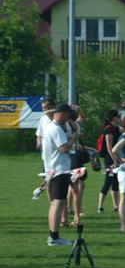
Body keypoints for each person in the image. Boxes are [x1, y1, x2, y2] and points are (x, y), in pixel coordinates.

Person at [42, 103, 82, 246]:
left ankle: (53, 236)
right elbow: (64, 149)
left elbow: (50, 113)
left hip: (53, 169)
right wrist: (74, 139)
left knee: (55, 203)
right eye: (68, 115)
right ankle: (54, 237)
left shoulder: (51, 126)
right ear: (63, 114)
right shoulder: (56, 129)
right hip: (59, 170)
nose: (69, 119)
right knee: (58, 203)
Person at [97, 109, 121, 213]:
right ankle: (100, 207)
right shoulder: (109, 129)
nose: (120, 118)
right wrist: (115, 160)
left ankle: (116, 206)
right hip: (110, 159)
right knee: (108, 181)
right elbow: (109, 147)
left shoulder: (116, 128)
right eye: (118, 116)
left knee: (115, 182)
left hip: (116, 158)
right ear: (113, 118)